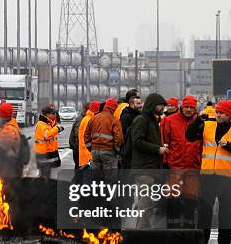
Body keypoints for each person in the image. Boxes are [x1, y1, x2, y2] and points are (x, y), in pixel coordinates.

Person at [186, 99, 231, 244]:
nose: (218, 115)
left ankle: (224, 242)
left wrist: (229, 146)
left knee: (225, 210)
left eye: (221, 113)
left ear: (229, 115)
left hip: (227, 176)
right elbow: (189, 136)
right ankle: (202, 241)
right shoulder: (207, 125)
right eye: (217, 112)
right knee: (205, 209)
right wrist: (196, 121)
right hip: (208, 175)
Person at [161, 95, 201, 228]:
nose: (189, 110)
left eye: (192, 107)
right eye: (187, 107)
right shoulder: (169, 120)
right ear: (181, 107)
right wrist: (166, 162)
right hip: (175, 165)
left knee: (191, 200)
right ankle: (172, 229)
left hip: (193, 166)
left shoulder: (200, 122)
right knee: (173, 200)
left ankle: (189, 229)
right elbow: (164, 141)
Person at [129, 93, 169, 228]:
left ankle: (142, 229)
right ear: (153, 105)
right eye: (160, 105)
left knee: (148, 203)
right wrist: (157, 149)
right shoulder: (142, 120)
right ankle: (141, 231)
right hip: (144, 168)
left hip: (151, 168)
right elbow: (137, 141)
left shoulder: (152, 121)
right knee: (145, 204)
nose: (162, 108)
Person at [84, 98, 123, 183]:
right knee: (110, 177)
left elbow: (86, 134)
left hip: (94, 152)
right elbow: (119, 137)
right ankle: (110, 195)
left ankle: (97, 194)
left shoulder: (94, 118)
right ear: (113, 108)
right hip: (108, 152)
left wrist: (90, 147)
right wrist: (116, 150)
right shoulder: (114, 120)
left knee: (97, 177)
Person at [0, 102, 25, 179]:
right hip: (8, 169)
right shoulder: (9, 126)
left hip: (6, 171)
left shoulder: (8, 130)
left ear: (2, 115)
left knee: (6, 190)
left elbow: (0, 150)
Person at [34, 105, 64, 179]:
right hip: (44, 153)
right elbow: (47, 135)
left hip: (50, 151)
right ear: (47, 115)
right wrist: (57, 129)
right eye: (53, 114)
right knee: (46, 174)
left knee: (51, 173)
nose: (55, 115)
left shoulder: (48, 123)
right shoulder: (42, 124)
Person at [78, 101, 100, 168]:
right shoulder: (88, 120)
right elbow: (85, 141)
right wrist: (90, 157)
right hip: (87, 158)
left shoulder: (89, 119)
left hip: (87, 157)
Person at [69, 102, 88, 170]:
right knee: (81, 168)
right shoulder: (83, 119)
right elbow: (78, 135)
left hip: (77, 147)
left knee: (79, 167)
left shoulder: (80, 118)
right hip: (79, 149)